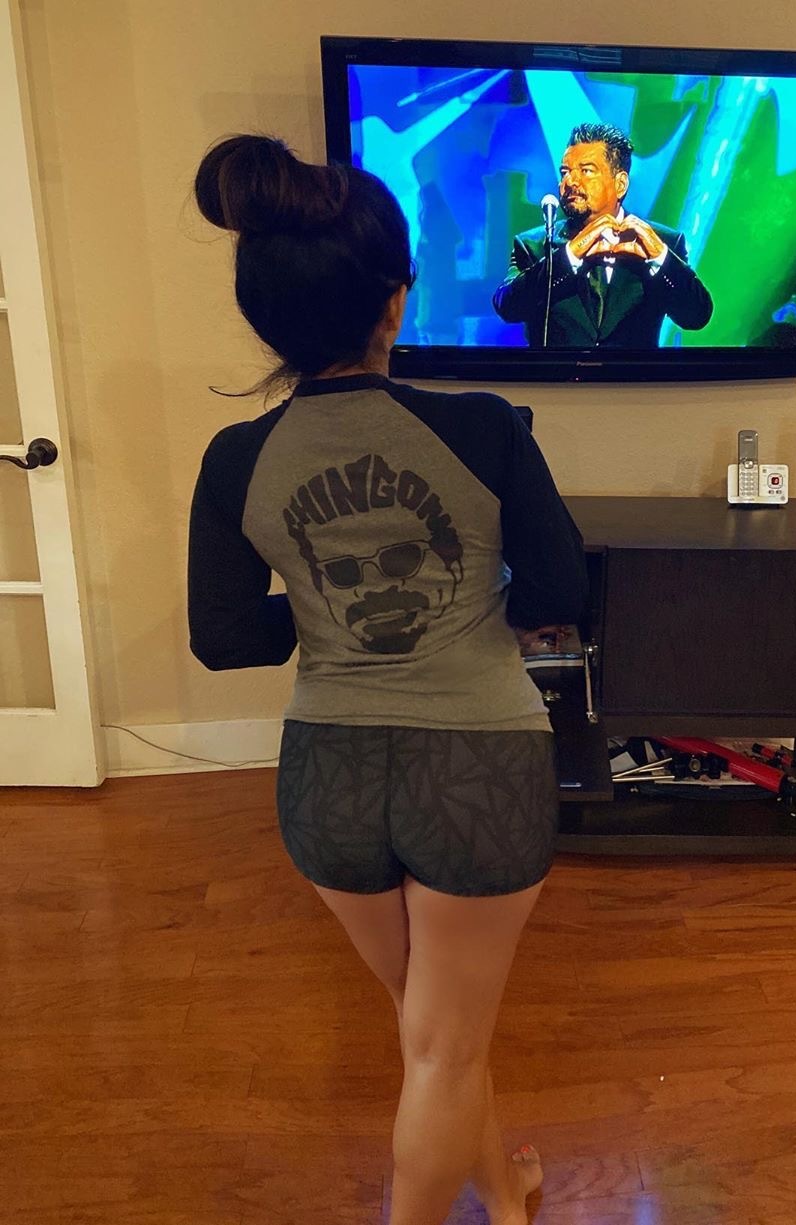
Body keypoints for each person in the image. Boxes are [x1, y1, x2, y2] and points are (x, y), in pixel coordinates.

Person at [187, 134, 588, 1225]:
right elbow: (562, 589)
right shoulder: (484, 427)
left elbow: (224, 636)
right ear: (395, 301)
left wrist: (324, 602)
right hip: (480, 771)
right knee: (445, 1049)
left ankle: (504, 1195)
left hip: (331, 782)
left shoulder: (235, 459)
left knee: (433, 1034)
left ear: (266, 319)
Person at [492, 121, 713, 348]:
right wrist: (569, 256)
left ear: (620, 184)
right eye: (565, 172)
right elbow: (507, 307)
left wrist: (660, 258)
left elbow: (696, 316)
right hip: (558, 373)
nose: (570, 182)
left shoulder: (664, 243)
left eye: (586, 170)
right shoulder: (533, 245)